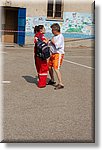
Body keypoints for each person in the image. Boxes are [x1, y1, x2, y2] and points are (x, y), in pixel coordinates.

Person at [48, 23, 64, 90]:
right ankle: (52, 80)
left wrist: (52, 42)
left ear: (55, 30)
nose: (52, 31)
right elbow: (50, 44)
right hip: (53, 54)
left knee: (56, 68)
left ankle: (61, 83)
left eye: (52, 30)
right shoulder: (54, 37)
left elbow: (58, 46)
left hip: (58, 54)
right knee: (49, 66)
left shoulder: (60, 36)